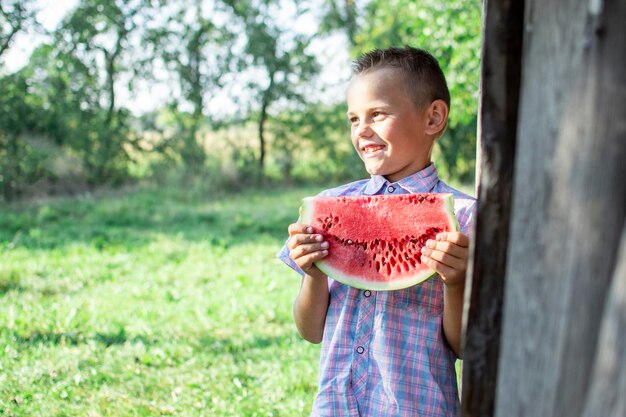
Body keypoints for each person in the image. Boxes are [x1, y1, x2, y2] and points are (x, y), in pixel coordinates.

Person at [277, 46, 476, 417]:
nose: (362, 130)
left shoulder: (465, 219)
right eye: (354, 119)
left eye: (378, 114)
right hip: (336, 406)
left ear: (433, 117)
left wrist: (456, 281)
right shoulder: (329, 205)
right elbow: (310, 331)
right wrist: (313, 275)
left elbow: (464, 345)